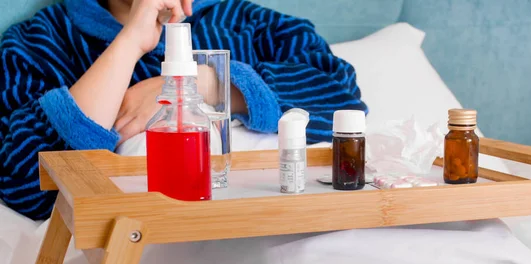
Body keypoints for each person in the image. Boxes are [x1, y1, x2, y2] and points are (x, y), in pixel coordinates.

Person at [0, 0, 367, 220]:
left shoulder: (253, 24)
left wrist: (205, 83)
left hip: (280, 219)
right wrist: (129, 44)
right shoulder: (37, 42)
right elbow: (23, 183)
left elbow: (340, 96)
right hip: (144, 243)